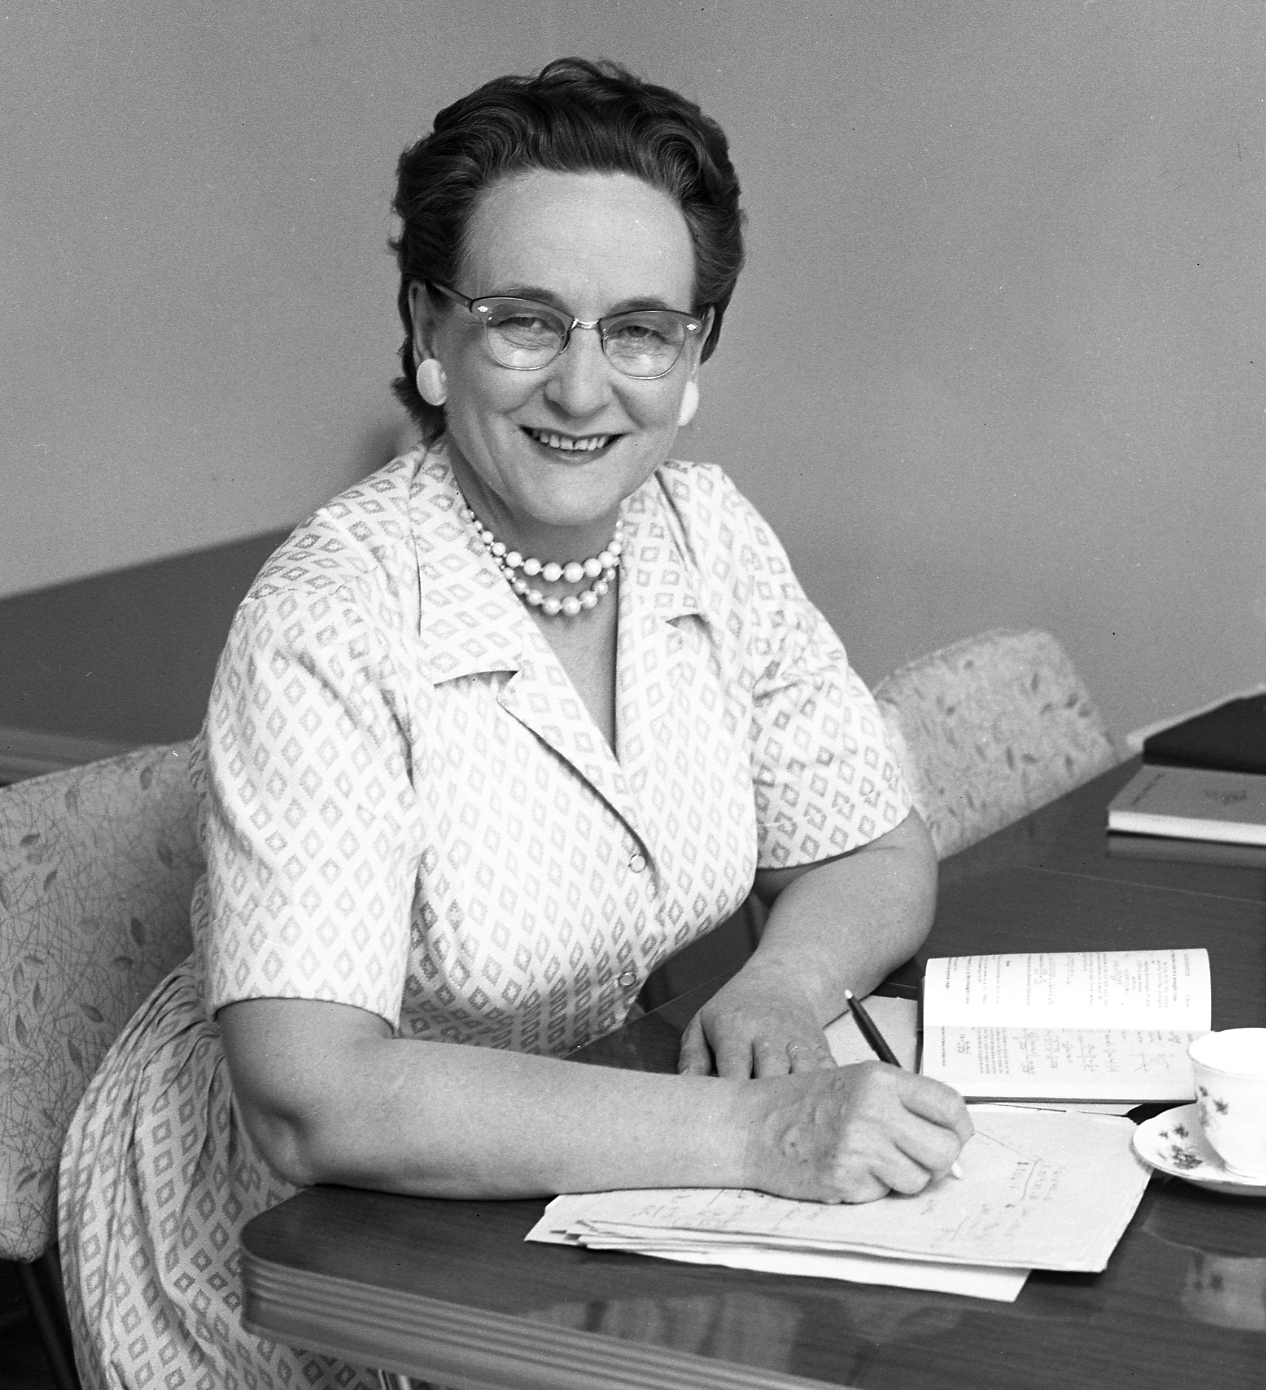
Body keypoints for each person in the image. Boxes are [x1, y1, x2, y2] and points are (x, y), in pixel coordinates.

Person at [59, 58, 972, 1390]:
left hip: (571, 1178)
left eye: (641, 329)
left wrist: (783, 981)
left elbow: (872, 847)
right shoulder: (332, 615)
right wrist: (757, 1132)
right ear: (431, 332)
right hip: (301, 1247)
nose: (584, 389)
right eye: (526, 322)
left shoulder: (707, 535)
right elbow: (312, 1098)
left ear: (694, 353)